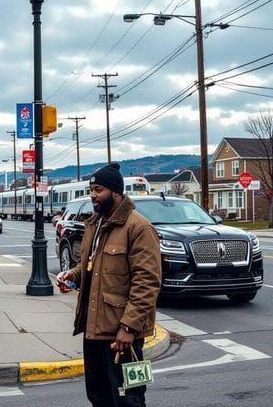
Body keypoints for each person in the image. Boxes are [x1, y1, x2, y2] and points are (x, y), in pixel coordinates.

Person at [56, 162, 162, 407]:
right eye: (91, 190)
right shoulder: (94, 225)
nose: (93, 195)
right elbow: (90, 265)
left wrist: (129, 327)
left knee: (128, 399)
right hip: (93, 329)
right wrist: (73, 275)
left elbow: (147, 283)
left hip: (121, 333)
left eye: (99, 190)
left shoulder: (139, 228)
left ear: (116, 192)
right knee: (98, 396)